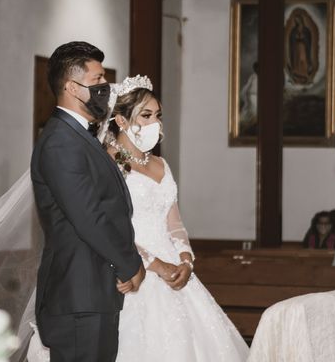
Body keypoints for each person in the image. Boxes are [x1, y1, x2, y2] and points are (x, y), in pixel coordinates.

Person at [105, 75, 250, 361]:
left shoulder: (160, 163)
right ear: (121, 121)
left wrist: (185, 260)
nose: (155, 123)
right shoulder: (110, 163)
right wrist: (156, 265)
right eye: (145, 116)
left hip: (176, 271)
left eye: (158, 115)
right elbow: (110, 227)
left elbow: (174, 222)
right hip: (135, 269)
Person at [30, 42, 145, 362]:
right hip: (78, 294)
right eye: (97, 82)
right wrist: (129, 263)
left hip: (92, 291)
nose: (104, 88)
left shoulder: (79, 135)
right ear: (71, 87)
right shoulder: (60, 141)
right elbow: (88, 216)